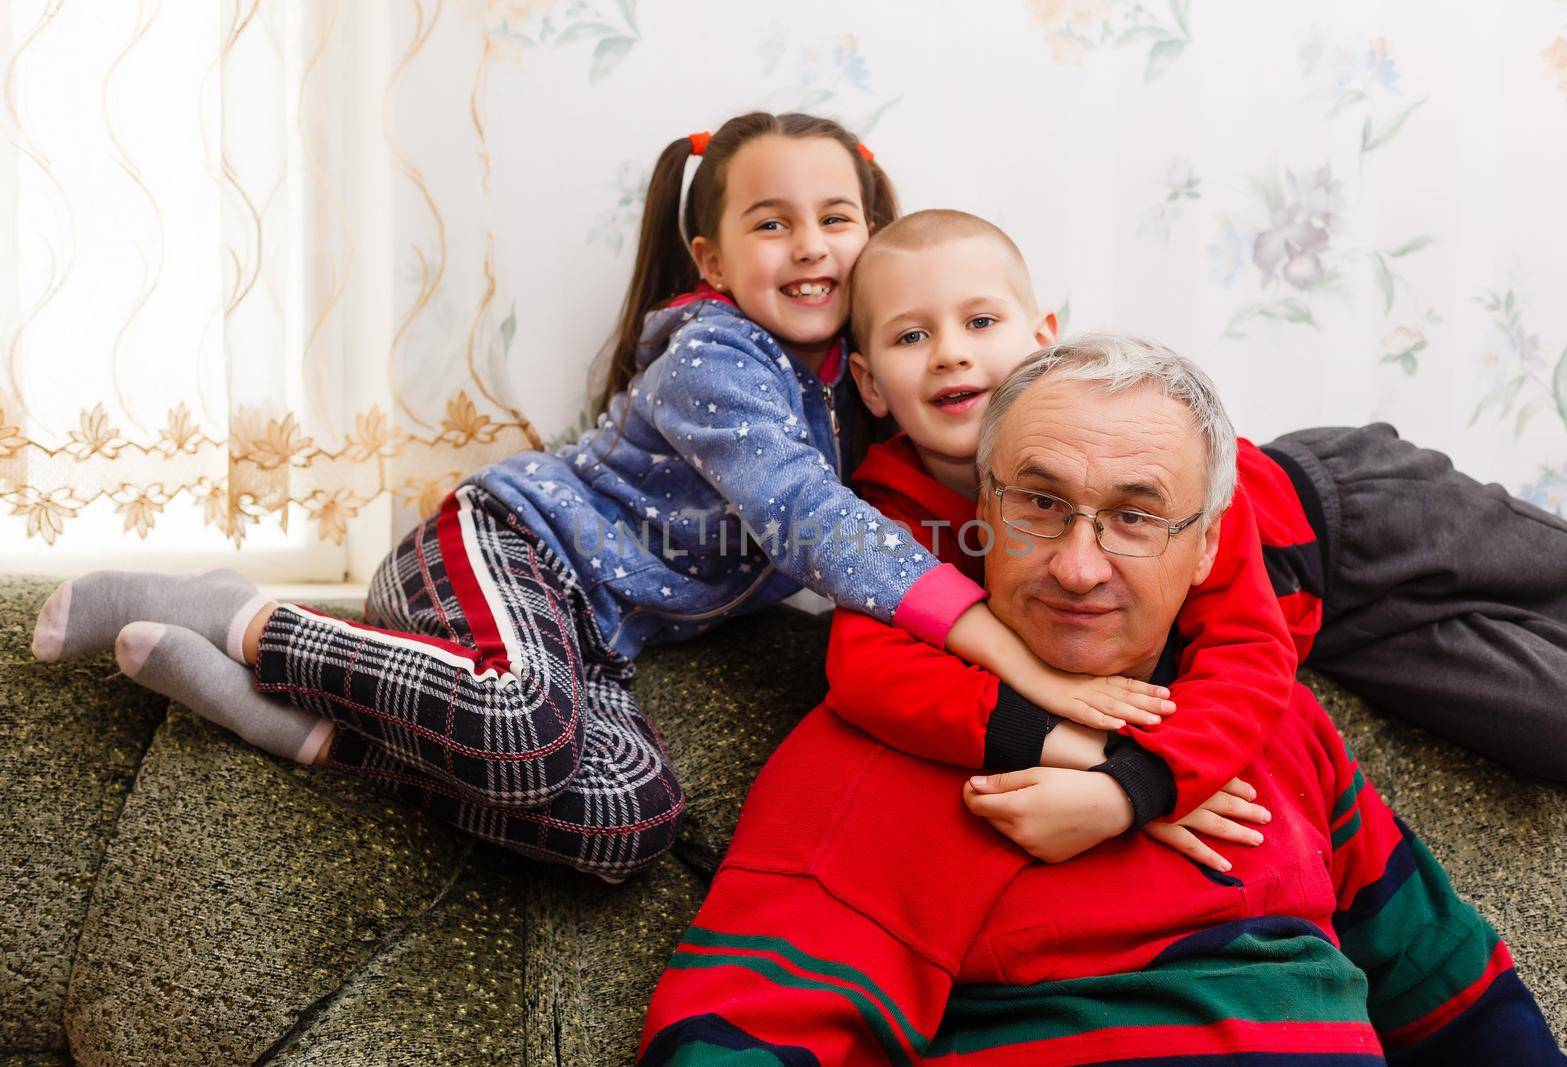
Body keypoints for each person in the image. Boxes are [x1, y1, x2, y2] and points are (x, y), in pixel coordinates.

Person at [27, 114, 1169, 882]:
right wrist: (1021, 667)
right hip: (510, 549)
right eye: (772, 222)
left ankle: (307, 730)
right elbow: (813, 524)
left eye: (838, 217)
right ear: (713, 258)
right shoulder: (715, 357)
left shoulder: (858, 388)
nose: (811, 244)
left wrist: (1139, 774)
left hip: (593, 645)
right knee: (522, 714)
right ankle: (244, 610)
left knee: (629, 819)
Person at [638, 339, 1567, 1065]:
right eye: (1039, 503)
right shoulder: (878, 749)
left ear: (1207, 548)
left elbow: (1454, 991)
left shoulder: (1272, 719)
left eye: (1135, 515)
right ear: (983, 514)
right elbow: (737, 1035)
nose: (1078, 567)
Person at [824, 211, 1567, 883]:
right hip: (1328, 629)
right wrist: (1076, 747)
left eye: (981, 322)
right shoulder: (885, 522)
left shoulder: (1160, 493)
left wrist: (1135, 786)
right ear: (868, 382)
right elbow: (865, 669)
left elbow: (1245, 648)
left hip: (1347, 512)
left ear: (1044, 339)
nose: (951, 353)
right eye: (912, 335)